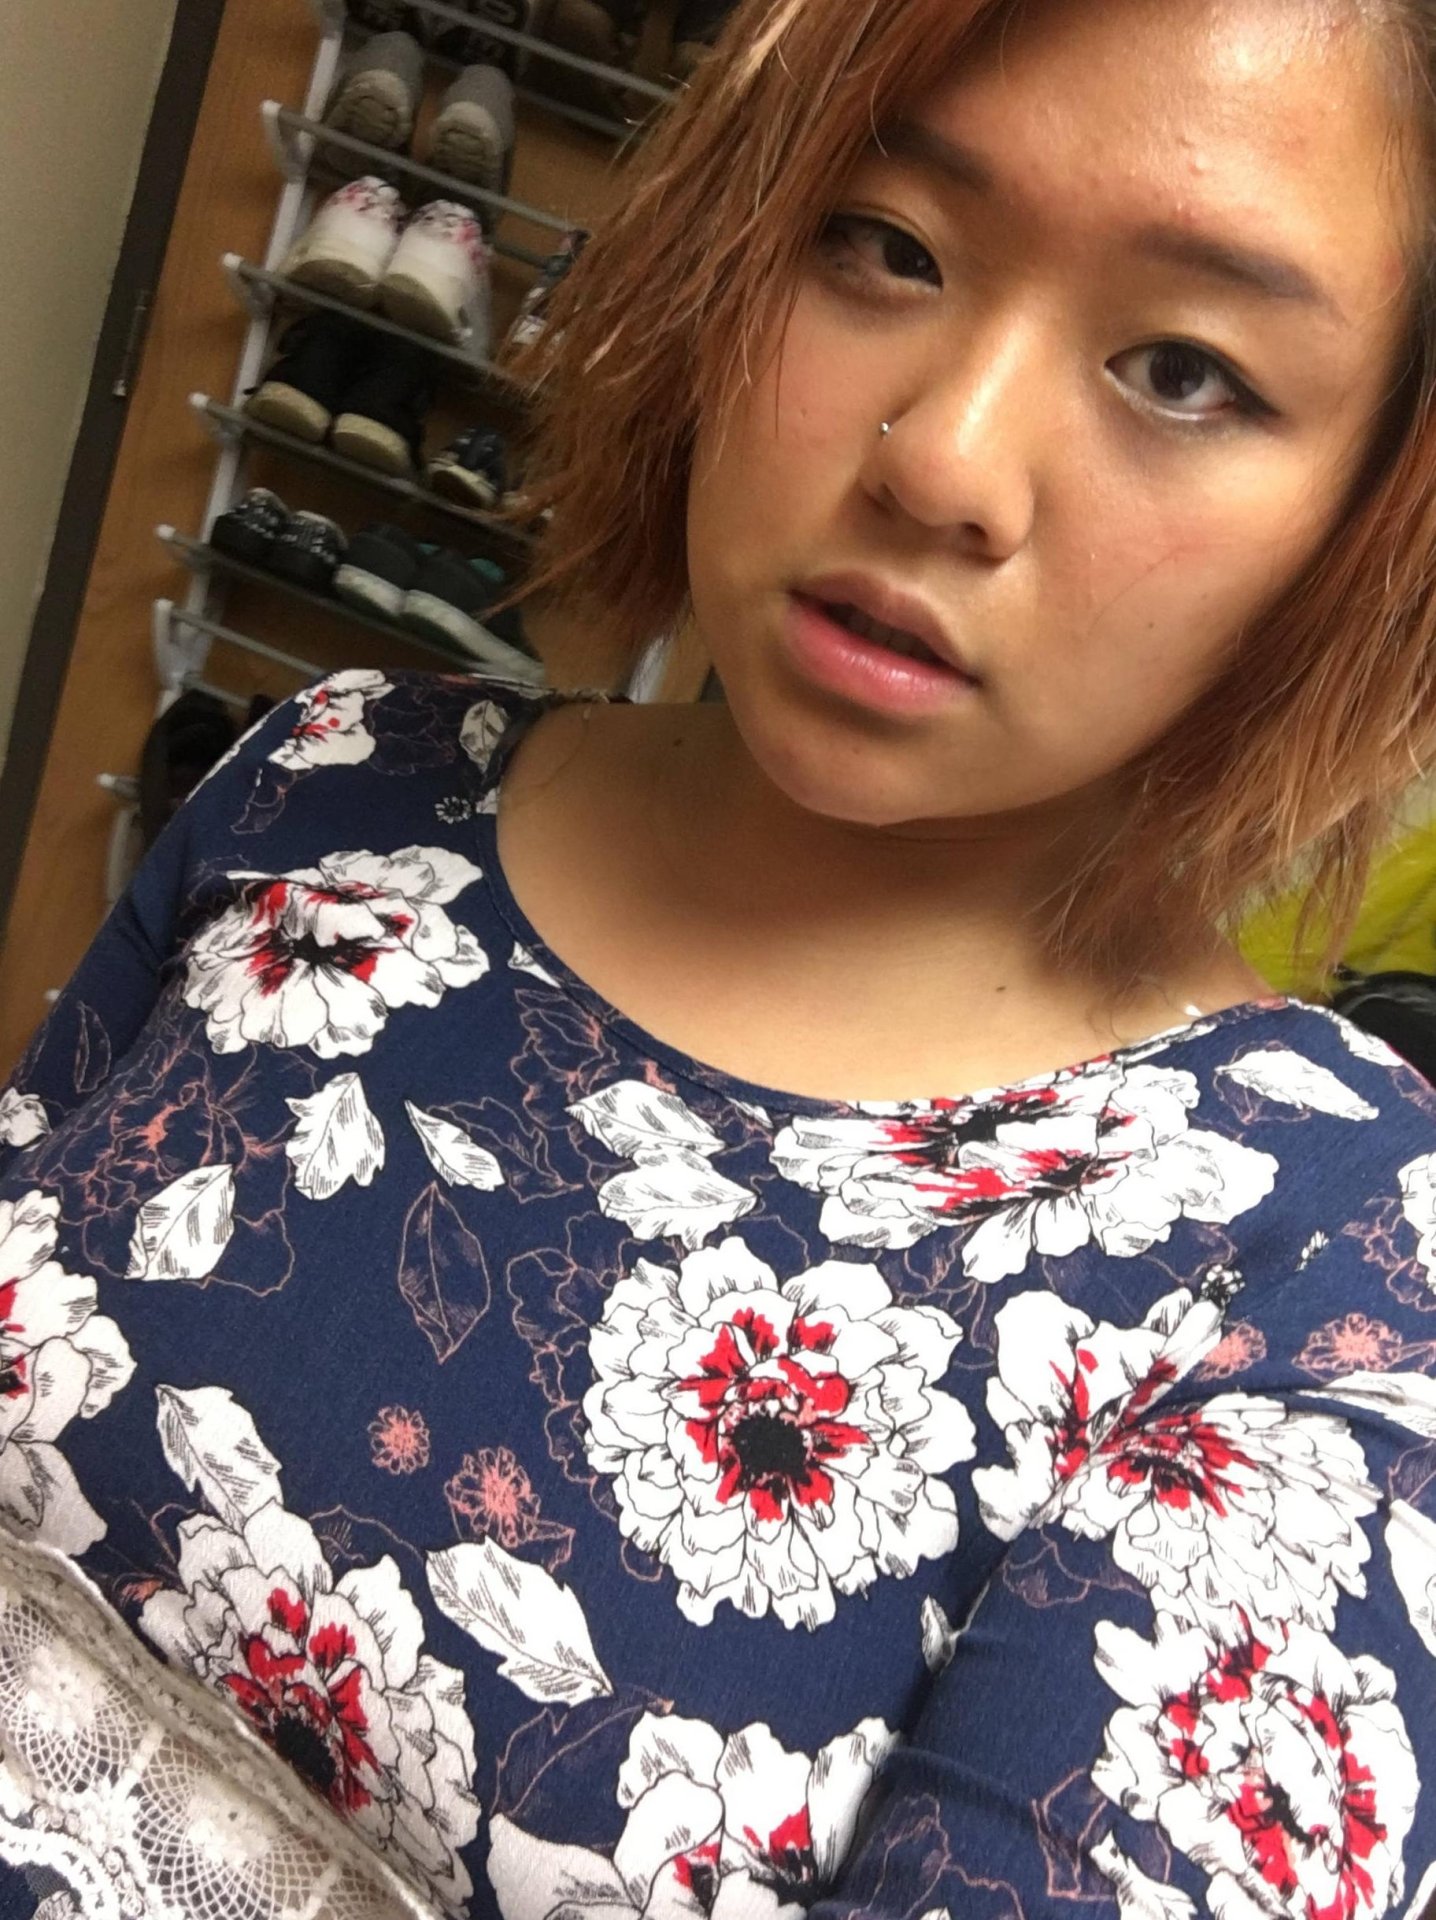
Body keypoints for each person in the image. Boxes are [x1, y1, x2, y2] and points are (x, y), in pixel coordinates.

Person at [3, 0, 1436, 1914]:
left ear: (1368, 517)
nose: (945, 462)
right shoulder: (333, 783)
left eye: (1184, 370)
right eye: (884, 245)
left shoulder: (1336, 1269)